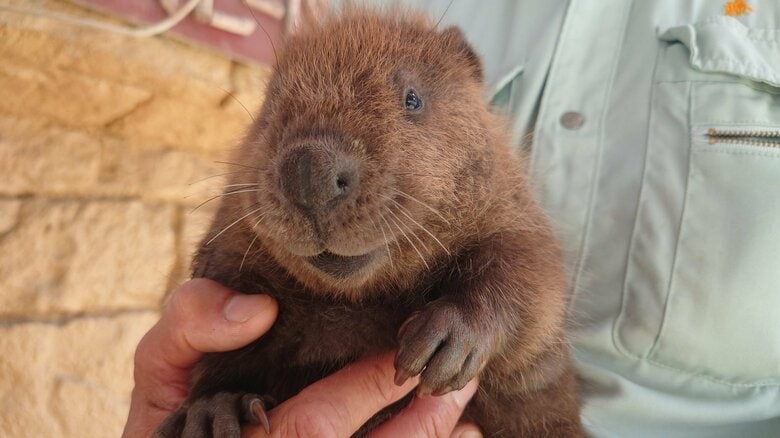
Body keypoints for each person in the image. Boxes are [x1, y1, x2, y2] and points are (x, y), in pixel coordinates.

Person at [126, 0, 780, 436]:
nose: (313, 183)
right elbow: (216, 296)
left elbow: (522, 266)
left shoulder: (487, 191)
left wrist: (483, 314)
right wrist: (211, 397)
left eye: (409, 102)